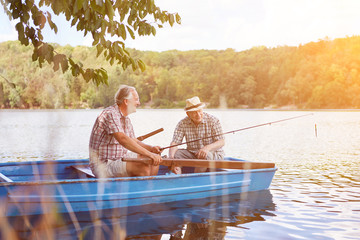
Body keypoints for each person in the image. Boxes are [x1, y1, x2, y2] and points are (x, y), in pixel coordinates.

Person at [89, 85, 162, 178]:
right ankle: (144, 190)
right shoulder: (110, 114)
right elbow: (123, 139)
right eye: (136, 99)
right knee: (142, 166)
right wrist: (149, 154)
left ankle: (148, 188)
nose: (138, 103)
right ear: (126, 101)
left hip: (118, 159)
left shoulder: (126, 119)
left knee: (152, 160)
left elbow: (134, 141)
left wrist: (151, 149)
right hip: (103, 165)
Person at [169, 96, 225, 174]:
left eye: (199, 111)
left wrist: (207, 148)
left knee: (203, 155)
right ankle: (178, 178)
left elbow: (221, 142)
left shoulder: (213, 120)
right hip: (193, 154)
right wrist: (172, 158)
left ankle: (195, 180)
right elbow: (175, 143)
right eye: (194, 112)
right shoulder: (182, 123)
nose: (198, 115)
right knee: (176, 154)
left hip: (213, 154)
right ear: (188, 114)